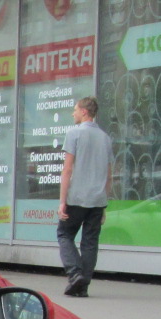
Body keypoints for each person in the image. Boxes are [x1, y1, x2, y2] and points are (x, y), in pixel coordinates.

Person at [56, 97, 112, 297]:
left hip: (77, 197)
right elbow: (109, 175)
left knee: (64, 234)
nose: (73, 113)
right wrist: (104, 204)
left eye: (75, 110)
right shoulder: (105, 138)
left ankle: (74, 273)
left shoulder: (74, 134)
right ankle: (83, 286)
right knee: (90, 242)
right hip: (97, 199)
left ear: (84, 112)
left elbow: (67, 170)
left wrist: (62, 201)